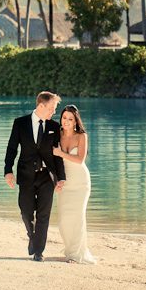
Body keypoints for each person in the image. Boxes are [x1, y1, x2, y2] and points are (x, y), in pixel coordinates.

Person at [4, 91, 65, 261]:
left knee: (44, 214)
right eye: (52, 108)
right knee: (26, 212)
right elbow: (11, 148)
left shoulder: (54, 127)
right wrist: (8, 171)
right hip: (26, 175)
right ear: (41, 105)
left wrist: (61, 178)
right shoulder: (20, 123)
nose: (54, 112)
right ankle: (33, 237)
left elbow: (57, 155)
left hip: (47, 176)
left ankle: (38, 251)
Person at [51, 104, 96, 264]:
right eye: (64, 118)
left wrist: (61, 153)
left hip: (80, 182)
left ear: (76, 121)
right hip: (64, 181)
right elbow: (53, 161)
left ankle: (76, 255)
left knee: (78, 217)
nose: (66, 121)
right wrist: (56, 180)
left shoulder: (82, 136)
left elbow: (79, 160)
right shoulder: (57, 134)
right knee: (63, 219)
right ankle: (70, 250)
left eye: (70, 119)